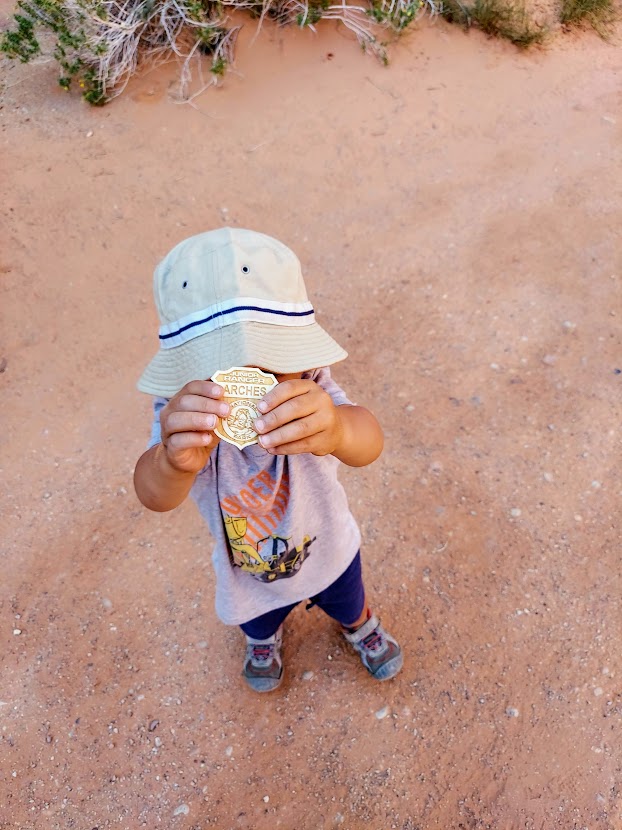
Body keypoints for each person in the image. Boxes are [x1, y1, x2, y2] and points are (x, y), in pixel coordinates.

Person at [133, 228, 403, 692]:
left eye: (271, 360)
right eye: (222, 366)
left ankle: (359, 624)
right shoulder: (183, 414)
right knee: (257, 619)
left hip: (329, 548)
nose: (251, 381)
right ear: (186, 374)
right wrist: (172, 462)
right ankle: (264, 640)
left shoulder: (311, 388)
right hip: (250, 574)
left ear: (301, 357)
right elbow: (152, 495)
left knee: (347, 596)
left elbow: (369, 443)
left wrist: (337, 428)